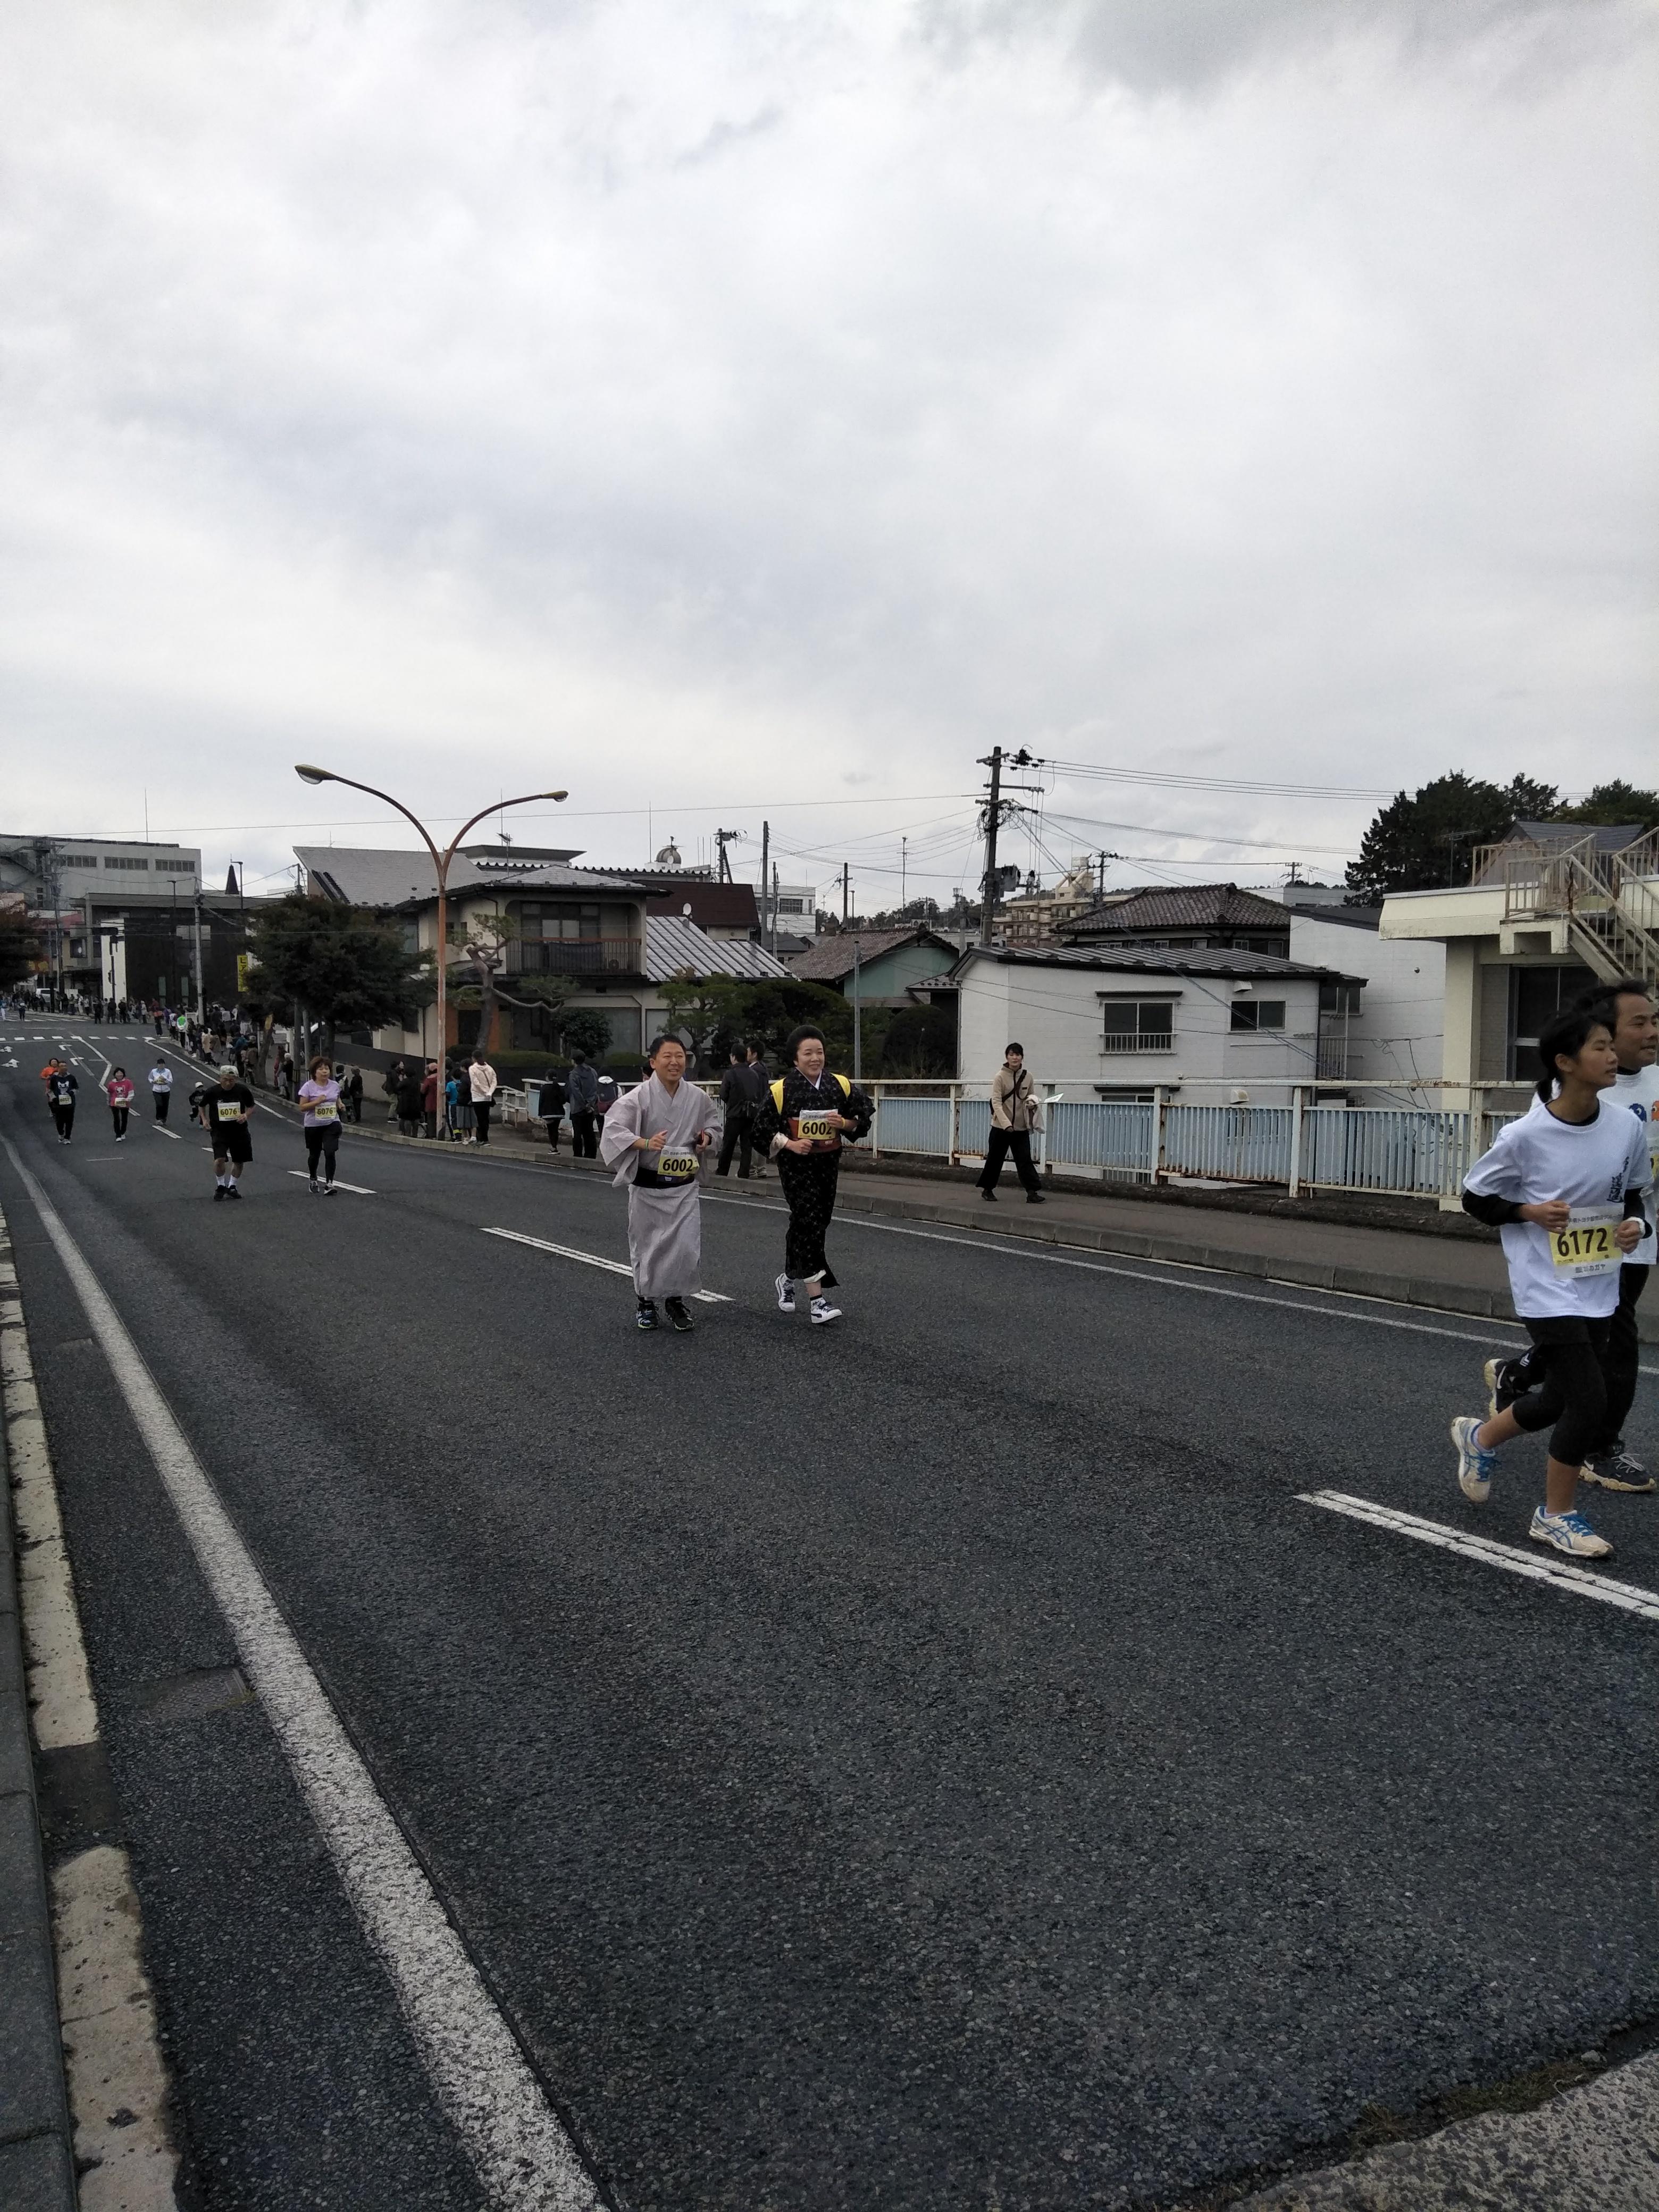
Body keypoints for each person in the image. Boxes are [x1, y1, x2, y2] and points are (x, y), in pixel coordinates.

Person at [1452, 1006, 1652, 1559]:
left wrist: (1638, 1225)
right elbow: (1475, 1197)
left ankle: (1480, 1436)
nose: (1613, 1055)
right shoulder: (1527, 1134)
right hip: (1544, 1283)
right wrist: (1529, 1211)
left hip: (1599, 1279)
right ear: (1565, 1062)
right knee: (1591, 1397)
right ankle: (1555, 1515)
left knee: (1561, 1396)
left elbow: (1634, 1192)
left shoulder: (1625, 1126)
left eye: (1613, 1045)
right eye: (1599, 1047)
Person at [1482, 977, 1658, 1493]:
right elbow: (1532, 1164)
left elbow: (1635, 1180)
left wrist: (1637, 1218)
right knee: (1612, 1355)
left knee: (1591, 1354)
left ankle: (1516, 1378)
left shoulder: (1650, 1082)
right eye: (1638, 1022)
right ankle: (1596, 1450)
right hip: (1573, 1249)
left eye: (1655, 1020)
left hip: (1633, 1234)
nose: (1651, 1031)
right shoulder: (1566, 1096)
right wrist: (1531, 1212)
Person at [599, 1034, 722, 1331]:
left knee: (684, 1248)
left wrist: (706, 1139)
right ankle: (646, 1302)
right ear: (653, 1062)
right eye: (667, 1056)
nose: (674, 1062)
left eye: (680, 1056)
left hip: (683, 1186)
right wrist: (644, 1142)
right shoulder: (637, 1098)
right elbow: (613, 1131)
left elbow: (715, 1126)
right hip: (648, 1187)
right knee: (648, 1246)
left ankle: (676, 1300)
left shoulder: (698, 1097)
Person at [752, 1025, 872, 1325]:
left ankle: (787, 1279)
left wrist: (843, 1123)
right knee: (808, 1220)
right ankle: (817, 1300)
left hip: (828, 1164)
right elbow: (760, 1131)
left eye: (819, 1052)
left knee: (817, 1221)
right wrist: (790, 1143)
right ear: (795, 1059)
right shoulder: (781, 1090)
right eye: (808, 1053)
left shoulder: (839, 1085)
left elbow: (864, 1115)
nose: (815, 1058)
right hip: (796, 1167)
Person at [979, 1042, 1047, 1204]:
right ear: (1007, 1057)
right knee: (995, 1159)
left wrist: (1032, 1103)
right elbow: (996, 1102)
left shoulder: (1028, 1076)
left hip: (1021, 1127)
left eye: (1017, 1054)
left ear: (1022, 1057)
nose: (1014, 1057)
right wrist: (1005, 1124)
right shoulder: (1000, 1077)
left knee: (1025, 1160)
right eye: (1011, 1054)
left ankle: (1032, 1192)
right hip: (1001, 1127)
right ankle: (987, 1190)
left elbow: (1031, 1096)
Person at [189, 1063, 257, 1201]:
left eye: (232, 1080)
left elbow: (251, 1106)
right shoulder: (212, 1092)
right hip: (219, 1130)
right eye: (225, 1079)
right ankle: (221, 1186)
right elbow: (202, 1106)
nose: (228, 1082)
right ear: (220, 1078)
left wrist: (246, 1115)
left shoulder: (242, 1090)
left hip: (239, 1130)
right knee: (220, 1159)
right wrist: (205, 1120)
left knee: (239, 1160)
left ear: (236, 1079)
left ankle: (232, 1186)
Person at [716, 1041, 764, 1179]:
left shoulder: (730, 1074)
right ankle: (744, 1173)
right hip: (751, 1115)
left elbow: (723, 1095)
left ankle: (722, 1171)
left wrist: (733, 1102)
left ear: (734, 1057)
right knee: (747, 1146)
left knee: (728, 1145)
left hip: (734, 1114)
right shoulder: (754, 1074)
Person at [297, 1054, 342, 1194]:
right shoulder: (308, 1087)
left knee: (330, 1152)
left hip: (332, 1123)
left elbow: (336, 1098)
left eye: (327, 1069)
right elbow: (302, 1107)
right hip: (313, 1125)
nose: (324, 1071)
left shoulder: (335, 1085)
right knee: (314, 1154)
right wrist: (317, 1102)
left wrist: (340, 1104)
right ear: (314, 1072)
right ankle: (313, 1178)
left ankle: (330, 1184)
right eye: (321, 1069)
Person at [567, 1050, 600, 1157]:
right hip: (590, 1108)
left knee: (577, 1134)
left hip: (577, 1108)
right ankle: (591, 1155)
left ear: (574, 1061)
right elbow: (596, 1088)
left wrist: (584, 1104)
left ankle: (578, 1155)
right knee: (589, 1133)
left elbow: (576, 1092)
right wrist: (590, 1104)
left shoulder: (573, 1075)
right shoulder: (593, 1072)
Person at [41, 1059, 77, 1143]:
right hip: (58, 1103)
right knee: (60, 1121)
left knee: (69, 1121)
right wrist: (54, 1098)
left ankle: (67, 1138)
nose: (64, 1068)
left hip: (70, 1103)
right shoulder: (54, 1078)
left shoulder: (71, 1078)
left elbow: (76, 1088)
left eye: (65, 1066)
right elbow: (50, 1090)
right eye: (62, 1066)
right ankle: (61, 1133)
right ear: (58, 1068)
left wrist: (72, 1093)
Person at [469, 1049, 499, 1144]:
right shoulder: (490, 1068)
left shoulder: (473, 1068)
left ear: (474, 1058)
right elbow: (495, 1081)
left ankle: (480, 1139)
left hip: (477, 1097)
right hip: (488, 1098)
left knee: (478, 1119)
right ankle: (485, 1139)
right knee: (485, 1119)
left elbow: (476, 1083)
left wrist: (485, 1092)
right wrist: (490, 1092)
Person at [105, 1065, 136, 1141]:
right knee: (116, 1118)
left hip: (125, 1102)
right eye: (118, 1073)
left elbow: (131, 1092)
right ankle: (118, 1135)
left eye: (121, 1073)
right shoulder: (111, 1084)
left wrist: (128, 1099)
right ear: (115, 1074)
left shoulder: (128, 1082)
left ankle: (123, 1133)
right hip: (114, 1103)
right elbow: (109, 1093)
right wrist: (108, 1101)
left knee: (124, 1118)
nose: (120, 1075)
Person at [540, 1070, 568, 1151]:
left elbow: (542, 1101)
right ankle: (554, 1146)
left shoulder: (544, 1088)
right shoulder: (559, 1087)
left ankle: (553, 1147)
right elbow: (563, 1100)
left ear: (547, 1077)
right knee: (555, 1130)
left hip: (548, 1113)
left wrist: (541, 1113)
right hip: (559, 1112)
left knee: (551, 1130)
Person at [394, 1061, 424, 1137]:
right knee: (415, 1120)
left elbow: (397, 1087)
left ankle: (407, 1134)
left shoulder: (406, 1082)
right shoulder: (417, 1082)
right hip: (416, 1103)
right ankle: (415, 1134)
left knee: (406, 1119)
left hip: (406, 1103)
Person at [147, 1058, 173, 1122]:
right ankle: (158, 1118)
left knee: (165, 1105)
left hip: (166, 1091)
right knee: (159, 1104)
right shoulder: (154, 1071)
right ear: (157, 1065)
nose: (161, 1066)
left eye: (162, 1065)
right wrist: (153, 1082)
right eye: (160, 1065)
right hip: (156, 1090)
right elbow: (150, 1078)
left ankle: (164, 1118)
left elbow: (171, 1080)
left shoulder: (168, 1071)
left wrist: (165, 1079)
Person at [420, 1059, 440, 1139]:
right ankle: (438, 1133)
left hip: (430, 1101)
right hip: (439, 1102)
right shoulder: (441, 1078)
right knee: (438, 1119)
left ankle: (431, 1134)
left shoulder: (429, 1080)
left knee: (430, 1119)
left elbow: (423, 1090)